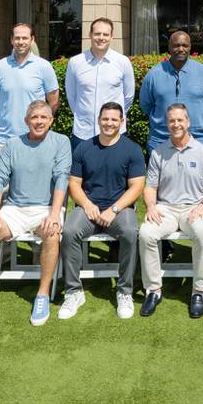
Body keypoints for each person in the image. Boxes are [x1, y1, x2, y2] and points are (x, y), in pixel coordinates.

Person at [0, 100, 72, 328]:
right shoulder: (12, 145)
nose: (38, 121)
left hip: (46, 208)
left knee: (51, 232)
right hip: (15, 208)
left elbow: (62, 178)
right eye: (34, 117)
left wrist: (55, 214)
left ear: (51, 120)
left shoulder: (61, 142)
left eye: (43, 117)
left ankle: (42, 295)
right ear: (27, 121)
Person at [58, 102, 146, 320]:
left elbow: (137, 186)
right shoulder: (84, 148)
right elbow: (74, 183)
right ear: (98, 120)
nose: (109, 123)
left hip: (119, 209)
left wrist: (114, 209)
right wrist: (87, 205)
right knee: (69, 232)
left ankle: (125, 291)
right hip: (89, 207)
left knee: (129, 232)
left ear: (121, 122)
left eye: (114, 119)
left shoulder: (132, 149)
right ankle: (73, 292)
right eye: (105, 119)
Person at [137, 104, 203, 319]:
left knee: (201, 233)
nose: (176, 124)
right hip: (166, 208)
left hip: (194, 208)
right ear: (167, 123)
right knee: (145, 233)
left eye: (180, 120)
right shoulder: (158, 153)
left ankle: (199, 291)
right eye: (172, 120)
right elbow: (150, 186)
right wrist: (151, 207)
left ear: (188, 122)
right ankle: (153, 290)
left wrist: (201, 207)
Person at [139, 30, 203, 152]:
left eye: (185, 45)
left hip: (199, 139)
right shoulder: (154, 74)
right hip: (161, 139)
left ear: (190, 47)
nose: (181, 49)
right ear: (169, 47)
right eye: (176, 45)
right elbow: (146, 105)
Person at [0, 23, 60, 150]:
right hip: (6, 140)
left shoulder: (44, 66)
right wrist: (5, 118)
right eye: (17, 38)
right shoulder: (0, 67)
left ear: (32, 39)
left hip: (36, 139)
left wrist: (41, 125)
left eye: (25, 38)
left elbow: (54, 101)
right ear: (11, 40)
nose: (20, 42)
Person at [65, 17, 135, 143]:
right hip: (83, 133)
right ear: (90, 35)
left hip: (114, 133)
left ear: (112, 36)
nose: (101, 37)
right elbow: (71, 96)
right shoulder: (75, 62)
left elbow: (128, 96)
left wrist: (114, 117)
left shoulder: (123, 62)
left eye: (105, 34)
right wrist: (84, 115)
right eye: (97, 33)